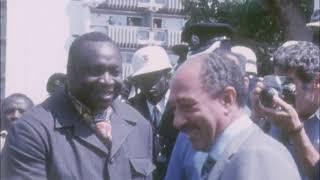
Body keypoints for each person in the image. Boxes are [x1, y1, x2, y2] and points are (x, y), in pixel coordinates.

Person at [1, 32, 154, 180]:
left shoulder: (139, 126)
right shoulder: (31, 131)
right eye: (96, 71)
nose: (107, 81)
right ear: (70, 72)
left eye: (115, 72)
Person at [169, 49, 301, 180]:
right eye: (174, 109)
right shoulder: (233, 154)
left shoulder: (258, 157)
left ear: (227, 99)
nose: (177, 122)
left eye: (187, 106)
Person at [251, 41, 320, 180]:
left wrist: (296, 131)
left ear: (317, 82)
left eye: (289, 83)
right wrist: (256, 117)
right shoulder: (274, 116)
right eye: (278, 82)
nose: (282, 92)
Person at [128, 45, 176, 180]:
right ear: (136, 82)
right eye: (143, 79)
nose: (149, 84)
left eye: (154, 77)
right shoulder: (130, 110)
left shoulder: (182, 106)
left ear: (168, 75)